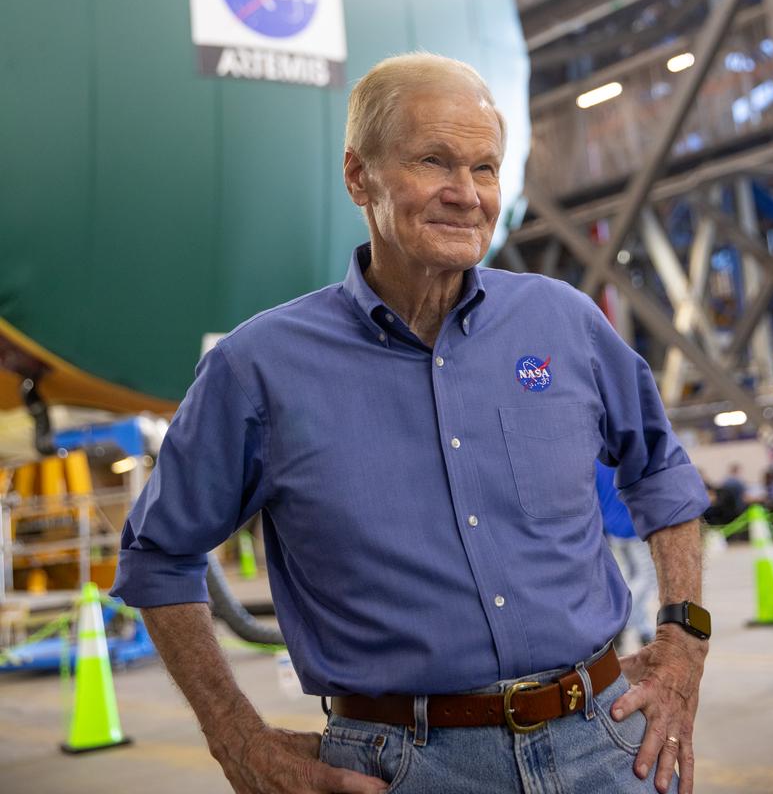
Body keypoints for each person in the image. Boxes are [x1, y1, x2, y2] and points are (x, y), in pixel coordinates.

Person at [111, 52, 711, 794]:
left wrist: (683, 643)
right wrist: (238, 742)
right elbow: (157, 557)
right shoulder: (258, 367)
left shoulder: (561, 321)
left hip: (605, 741)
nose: (467, 195)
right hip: (400, 767)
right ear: (358, 176)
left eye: (485, 169)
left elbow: (660, 471)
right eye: (435, 162)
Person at [595, 461, 657, 648]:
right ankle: (622, 620)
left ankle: (644, 629)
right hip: (632, 525)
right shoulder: (621, 457)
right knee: (646, 578)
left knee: (630, 578)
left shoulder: (595, 463)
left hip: (612, 527)